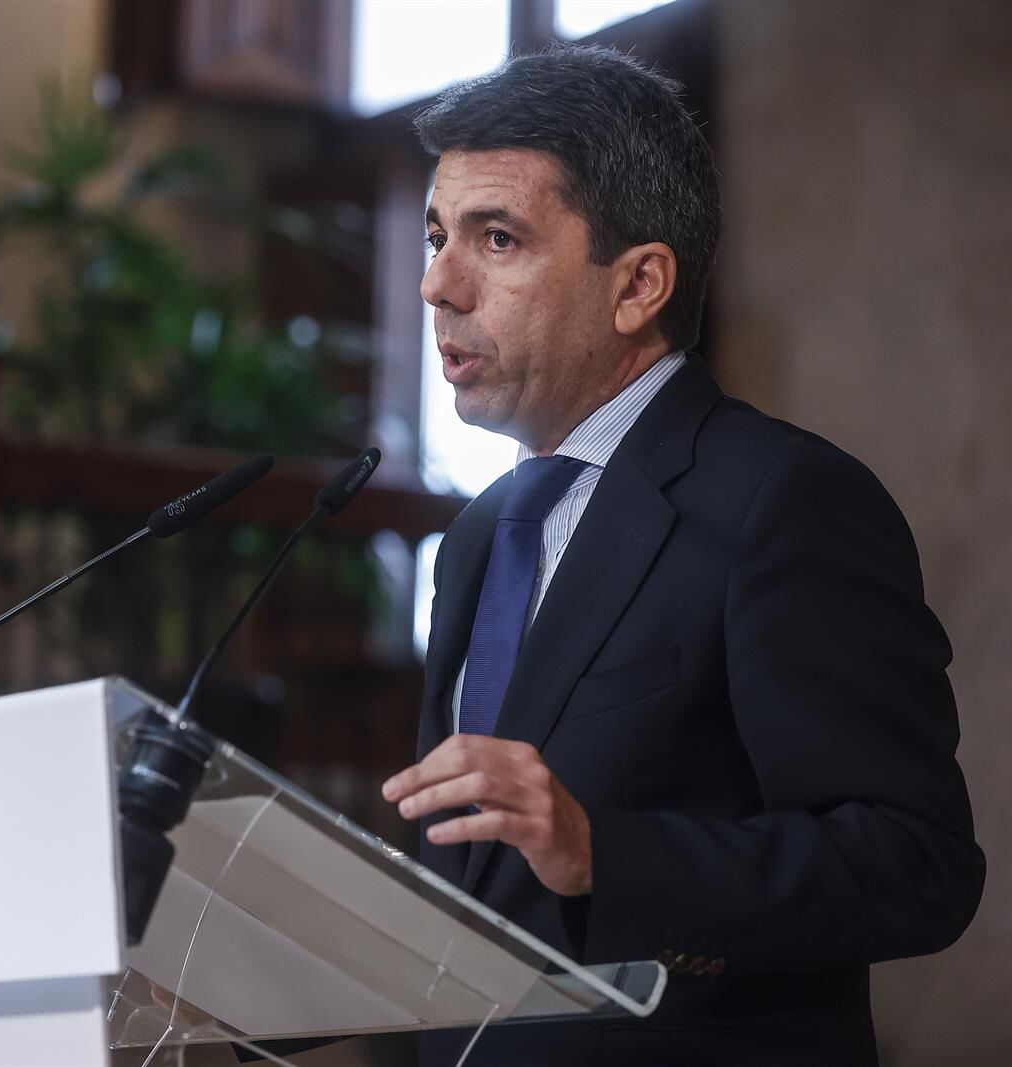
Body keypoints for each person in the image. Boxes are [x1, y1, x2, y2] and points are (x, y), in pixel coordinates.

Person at [379, 45, 983, 1066]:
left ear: (638, 285)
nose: (438, 282)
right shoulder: (484, 533)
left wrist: (605, 853)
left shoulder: (782, 501)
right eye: (439, 236)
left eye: (496, 237)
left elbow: (912, 866)